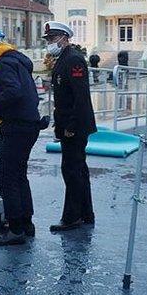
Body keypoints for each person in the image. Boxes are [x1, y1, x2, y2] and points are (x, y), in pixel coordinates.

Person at [0, 26, 42, 246]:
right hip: (29, 123)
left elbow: (13, 90)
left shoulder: (3, 63)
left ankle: (15, 229)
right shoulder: (17, 59)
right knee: (20, 175)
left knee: (8, 177)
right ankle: (26, 223)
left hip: (17, 126)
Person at [43, 21, 97, 232]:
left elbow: (80, 97)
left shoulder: (73, 60)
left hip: (75, 126)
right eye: (48, 39)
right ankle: (86, 214)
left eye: (53, 38)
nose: (50, 43)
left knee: (72, 171)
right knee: (78, 170)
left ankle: (72, 217)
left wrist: (72, 126)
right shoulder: (63, 59)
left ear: (65, 38)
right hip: (69, 124)